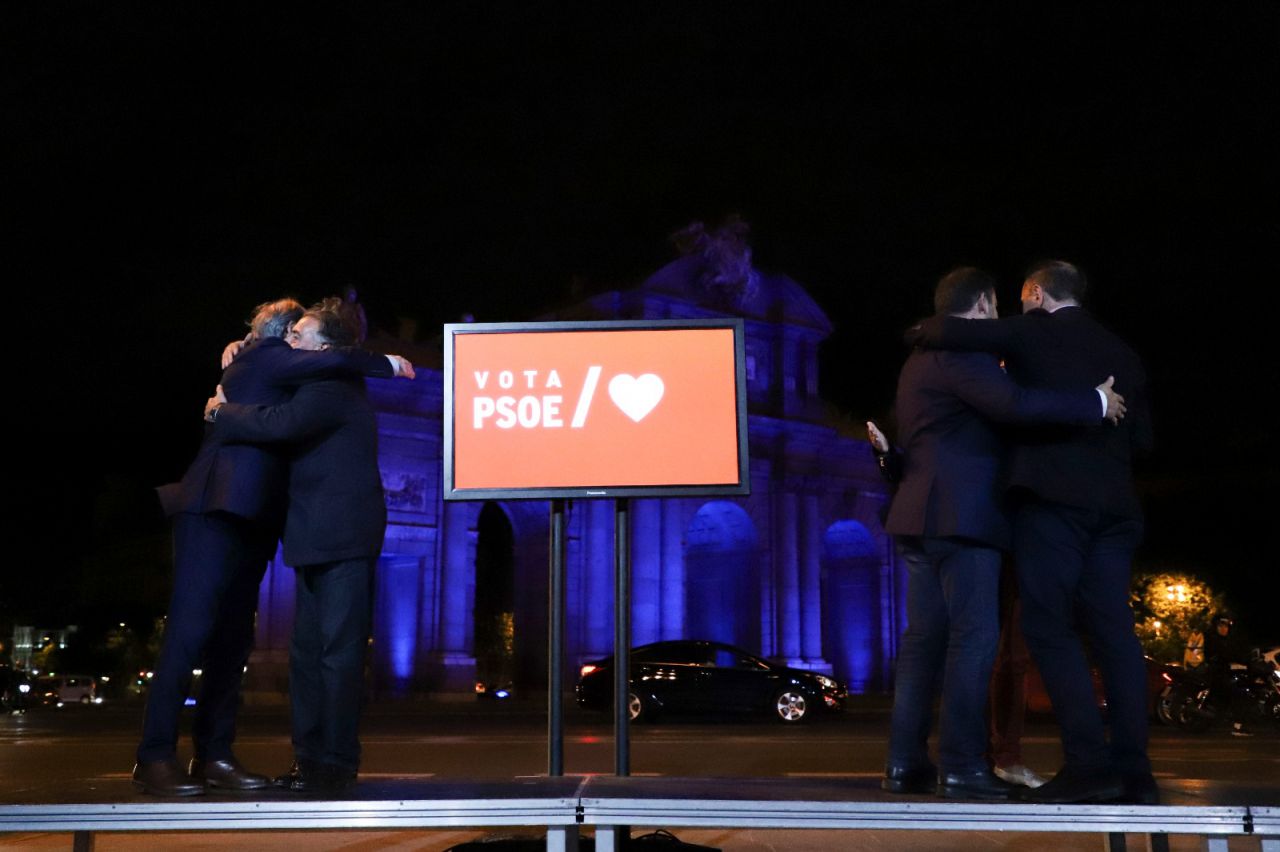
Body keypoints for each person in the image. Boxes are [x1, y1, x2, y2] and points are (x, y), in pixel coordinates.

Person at [134, 299, 413, 797]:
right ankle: (154, 755)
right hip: (214, 508)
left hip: (255, 518)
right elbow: (330, 362)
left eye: (299, 336)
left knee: (233, 644)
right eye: (291, 334)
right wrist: (385, 362)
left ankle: (213, 754)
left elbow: (317, 378)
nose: (293, 342)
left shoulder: (291, 371)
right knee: (190, 633)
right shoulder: (269, 355)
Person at [907, 260, 1156, 804]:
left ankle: (1088, 765)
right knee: (1116, 635)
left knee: (1048, 628)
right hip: (1116, 509)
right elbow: (1144, 440)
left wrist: (923, 328)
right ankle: (1135, 771)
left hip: (1051, 506)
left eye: (1020, 298)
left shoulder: (1029, 332)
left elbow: (954, 329)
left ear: (1036, 293)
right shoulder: (1123, 351)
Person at [209, 297, 391, 792]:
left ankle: (333, 763)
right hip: (313, 538)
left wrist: (223, 413)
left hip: (345, 537)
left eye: (299, 335)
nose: (289, 340)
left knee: (338, 655)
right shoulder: (312, 379)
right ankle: (311, 762)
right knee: (308, 656)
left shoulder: (332, 385)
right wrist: (243, 345)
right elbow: (270, 372)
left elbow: (278, 424)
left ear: (325, 347)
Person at [1202, 613, 1254, 736]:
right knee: (1240, 694)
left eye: (1226, 626)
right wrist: (1243, 660)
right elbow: (1226, 656)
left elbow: (1233, 654)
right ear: (1216, 627)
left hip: (1220, 674)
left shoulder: (1225, 641)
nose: (1224, 629)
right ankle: (1237, 727)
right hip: (1216, 675)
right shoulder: (1214, 640)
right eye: (1221, 626)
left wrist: (1246, 660)